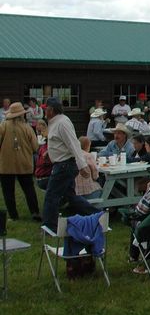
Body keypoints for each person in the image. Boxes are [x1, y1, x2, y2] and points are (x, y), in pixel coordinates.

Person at [42, 97, 99, 231]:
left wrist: (82, 166)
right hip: (63, 164)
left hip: (64, 165)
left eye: (46, 108)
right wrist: (49, 153)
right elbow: (60, 144)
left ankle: (49, 226)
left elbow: (73, 144)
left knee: (51, 196)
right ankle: (97, 215)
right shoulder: (55, 122)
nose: (44, 110)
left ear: (51, 110)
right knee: (71, 197)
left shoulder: (62, 123)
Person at [0, 102, 41, 221]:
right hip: (25, 164)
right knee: (29, 189)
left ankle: (13, 216)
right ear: (22, 115)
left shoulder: (3, 126)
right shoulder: (27, 128)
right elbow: (35, 147)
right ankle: (35, 212)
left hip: (6, 164)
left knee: (8, 191)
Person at [35, 120, 53, 191]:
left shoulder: (45, 147)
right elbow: (45, 162)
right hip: (44, 178)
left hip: (43, 177)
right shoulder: (46, 148)